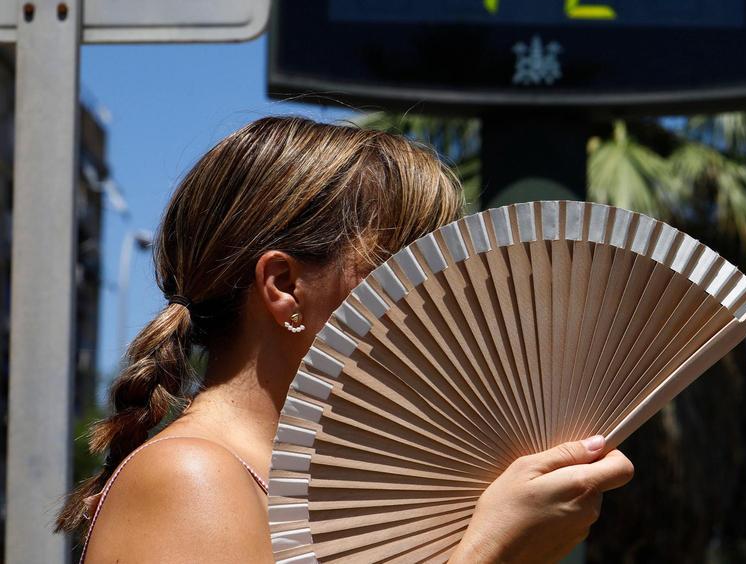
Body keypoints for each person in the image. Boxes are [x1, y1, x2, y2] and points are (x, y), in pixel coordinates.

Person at [57, 116, 634, 563]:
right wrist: (490, 552)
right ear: (284, 287)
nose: (442, 299)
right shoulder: (193, 479)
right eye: (403, 270)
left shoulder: (337, 493)